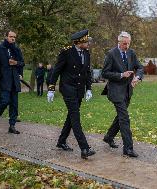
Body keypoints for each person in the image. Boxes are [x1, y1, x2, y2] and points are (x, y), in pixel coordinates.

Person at [47, 29, 96, 159]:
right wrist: (51, 88)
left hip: (79, 89)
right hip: (68, 88)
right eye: (86, 41)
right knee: (75, 117)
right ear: (79, 42)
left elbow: (87, 72)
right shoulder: (66, 52)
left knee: (71, 116)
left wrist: (89, 88)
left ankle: (61, 141)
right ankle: (84, 148)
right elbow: (56, 71)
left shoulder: (86, 53)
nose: (88, 44)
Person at [101, 31, 143, 157]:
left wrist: (138, 78)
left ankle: (109, 137)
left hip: (128, 91)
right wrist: (121, 75)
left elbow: (140, 67)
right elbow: (105, 73)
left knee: (120, 116)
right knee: (124, 118)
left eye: (128, 43)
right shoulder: (111, 54)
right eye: (124, 43)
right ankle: (128, 148)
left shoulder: (131, 53)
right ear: (119, 42)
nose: (127, 46)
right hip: (115, 91)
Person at [0, 30, 25, 134]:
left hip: (14, 80)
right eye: (11, 36)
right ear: (6, 37)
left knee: (14, 104)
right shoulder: (0, 48)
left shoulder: (17, 49)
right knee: (4, 100)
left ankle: (12, 126)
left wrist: (16, 63)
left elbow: (22, 63)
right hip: (4, 79)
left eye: (14, 37)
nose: (13, 38)